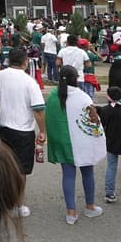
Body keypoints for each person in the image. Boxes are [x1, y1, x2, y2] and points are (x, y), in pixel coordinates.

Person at [44, 67, 105, 224]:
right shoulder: (83, 97)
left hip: (63, 142)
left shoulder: (52, 96)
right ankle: (90, 207)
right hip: (82, 142)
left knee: (68, 175)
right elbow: (93, 121)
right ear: (76, 78)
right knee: (88, 173)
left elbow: (49, 120)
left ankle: (71, 212)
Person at [0, 48, 46, 214]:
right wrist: (42, 131)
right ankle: (19, 203)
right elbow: (38, 110)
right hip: (23, 130)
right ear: (25, 62)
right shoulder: (29, 82)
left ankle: (4, 201)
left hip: (2, 127)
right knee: (21, 170)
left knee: (4, 165)